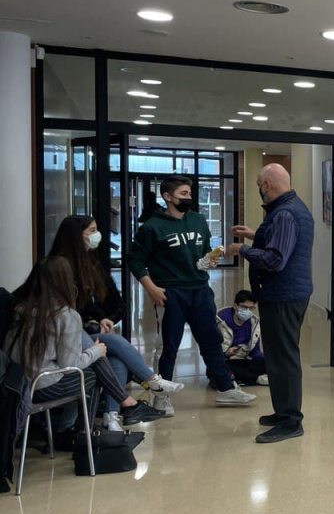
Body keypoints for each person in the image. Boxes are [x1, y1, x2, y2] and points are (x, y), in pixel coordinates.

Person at [127, 175, 256, 416]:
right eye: (183, 194)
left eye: (189, 193)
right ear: (167, 196)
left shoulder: (197, 220)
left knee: (211, 340)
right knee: (169, 346)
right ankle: (161, 396)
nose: (189, 198)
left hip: (200, 290)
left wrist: (210, 260)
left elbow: (204, 254)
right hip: (170, 293)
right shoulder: (152, 227)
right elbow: (134, 261)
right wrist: (151, 288)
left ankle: (225, 388)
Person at [49, 215, 184, 431]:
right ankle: (151, 381)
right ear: (77, 236)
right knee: (113, 342)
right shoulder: (58, 268)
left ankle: (111, 416)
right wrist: (89, 319)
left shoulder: (92, 263)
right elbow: (66, 311)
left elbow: (114, 302)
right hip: (67, 336)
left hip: (86, 331)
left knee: (116, 360)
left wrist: (105, 318)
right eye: (92, 231)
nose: (97, 236)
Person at [3, 257, 164, 429]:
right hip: (43, 385)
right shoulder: (65, 315)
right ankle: (81, 430)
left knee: (111, 359)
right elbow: (71, 364)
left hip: (15, 381)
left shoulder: (21, 308)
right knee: (95, 373)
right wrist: (95, 351)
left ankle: (117, 410)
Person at [226, 164, 313, 444]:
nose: (259, 191)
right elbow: (282, 242)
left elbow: (275, 260)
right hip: (285, 294)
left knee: (284, 358)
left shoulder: (285, 213)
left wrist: (243, 250)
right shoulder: (292, 207)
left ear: (266, 185)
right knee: (277, 356)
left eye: (258, 185)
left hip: (283, 296)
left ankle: (290, 420)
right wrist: (255, 235)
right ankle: (283, 411)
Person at [217, 290, 268, 387]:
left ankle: (239, 378)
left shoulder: (253, 323)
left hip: (243, 360)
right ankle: (256, 379)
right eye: (244, 307)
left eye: (251, 308)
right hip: (225, 361)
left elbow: (255, 351)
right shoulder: (220, 322)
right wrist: (226, 353)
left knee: (269, 364)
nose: (248, 311)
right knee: (217, 370)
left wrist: (264, 364)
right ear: (235, 306)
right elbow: (211, 351)